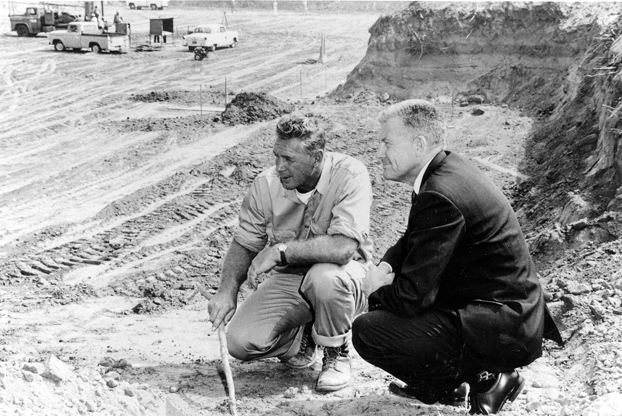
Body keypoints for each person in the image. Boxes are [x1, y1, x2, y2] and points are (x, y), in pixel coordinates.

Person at [351, 99, 562, 414]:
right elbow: (413, 238)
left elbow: (411, 299)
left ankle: (489, 379)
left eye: (386, 143)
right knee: (390, 302)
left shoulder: (439, 191)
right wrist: (386, 266)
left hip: (503, 325)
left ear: (419, 144)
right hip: (500, 311)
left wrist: (375, 287)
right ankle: (447, 385)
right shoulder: (444, 169)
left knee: (370, 330)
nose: (380, 153)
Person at [208, 114, 373, 392]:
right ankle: (305, 335)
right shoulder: (266, 184)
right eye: (276, 156)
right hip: (293, 280)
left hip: (345, 276)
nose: (279, 167)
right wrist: (227, 291)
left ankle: (336, 352)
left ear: (317, 157)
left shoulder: (350, 174)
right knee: (241, 342)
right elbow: (245, 243)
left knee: (324, 279)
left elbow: (343, 248)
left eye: (289, 160)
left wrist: (280, 251)